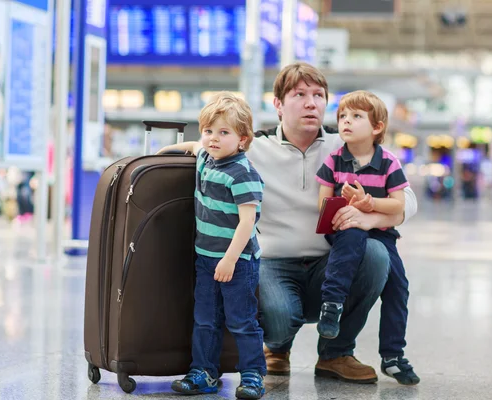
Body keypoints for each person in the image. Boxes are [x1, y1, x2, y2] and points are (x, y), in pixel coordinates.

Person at [246, 62, 418, 384]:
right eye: (300, 94)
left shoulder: (347, 144)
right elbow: (209, 147)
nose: (312, 103)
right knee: (281, 318)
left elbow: (408, 200)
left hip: (330, 263)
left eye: (319, 95)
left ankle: (335, 353)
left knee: (376, 255)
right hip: (274, 263)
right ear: (279, 104)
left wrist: (371, 218)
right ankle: (277, 348)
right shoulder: (255, 148)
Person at [157, 92, 266, 399]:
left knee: (242, 320)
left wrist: (230, 260)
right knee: (205, 318)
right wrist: (165, 151)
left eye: (223, 132)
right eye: (208, 131)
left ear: (243, 139)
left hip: (238, 261)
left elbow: (248, 222)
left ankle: (253, 375)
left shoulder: (243, 174)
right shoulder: (206, 156)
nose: (213, 139)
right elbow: (192, 146)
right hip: (206, 258)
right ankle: (203, 372)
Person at [315, 90, 419, 385]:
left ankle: (393, 355)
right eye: (343, 117)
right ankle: (332, 303)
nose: (346, 122)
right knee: (350, 237)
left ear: (377, 127)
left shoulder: (389, 162)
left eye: (356, 116)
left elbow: (398, 204)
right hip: (345, 231)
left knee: (399, 288)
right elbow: (322, 205)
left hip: (383, 235)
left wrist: (368, 203)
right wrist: (345, 206)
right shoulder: (334, 161)